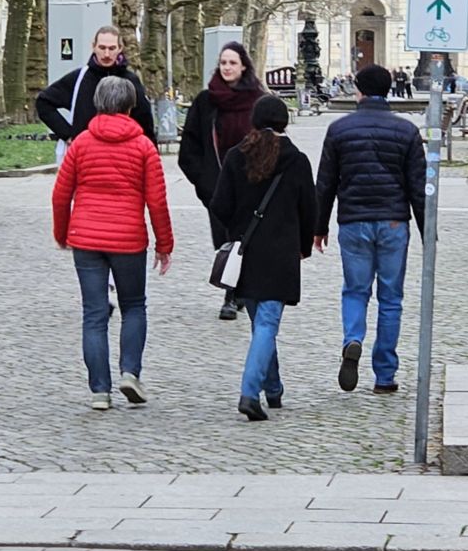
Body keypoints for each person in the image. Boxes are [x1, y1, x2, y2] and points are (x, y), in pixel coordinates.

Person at [51, 75, 173, 410]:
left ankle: (99, 391)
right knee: (134, 306)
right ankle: (129, 372)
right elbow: (157, 201)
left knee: (93, 314)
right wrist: (165, 244)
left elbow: (61, 195)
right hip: (129, 240)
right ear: (131, 107)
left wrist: (62, 234)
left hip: (86, 239)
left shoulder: (81, 144)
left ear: (98, 104)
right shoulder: (143, 146)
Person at [314, 63, 427, 395]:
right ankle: (385, 374)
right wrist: (425, 232)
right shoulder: (406, 131)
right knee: (391, 298)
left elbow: (325, 184)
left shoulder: (339, 130)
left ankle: (353, 339)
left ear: (358, 91)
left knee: (355, 290)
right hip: (393, 222)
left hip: (353, 221)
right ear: (389, 90)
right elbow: (418, 188)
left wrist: (318, 227)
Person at [208, 95, 315, 421]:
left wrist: (237, 232)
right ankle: (250, 393)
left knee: (261, 324)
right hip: (280, 254)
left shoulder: (235, 157)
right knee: (266, 324)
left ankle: (274, 388)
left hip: (247, 253)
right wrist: (304, 245)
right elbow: (309, 209)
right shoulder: (296, 161)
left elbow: (220, 206)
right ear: (284, 122)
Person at [178, 41, 267, 322]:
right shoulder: (207, 101)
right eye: (223, 63)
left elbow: (272, 141)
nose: (227, 68)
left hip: (251, 185)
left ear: (243, 66)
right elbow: (189, 148)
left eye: (232, 63)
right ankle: (233, 292)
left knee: (247, 240)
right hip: (217, 187)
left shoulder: (258, 100)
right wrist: (204, 183)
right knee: (227, 242)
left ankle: (238, 293)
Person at [35, 25, 158, 156]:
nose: (106, 54)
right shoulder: (79, 79)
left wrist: (152, 156)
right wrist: (68, 135)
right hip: (87, 155)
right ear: (94, 46)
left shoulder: (131, 81)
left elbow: (145, 123)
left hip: (124, 156)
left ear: (120, 49)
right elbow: (43, 102)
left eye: (112, 48)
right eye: (102, 48)